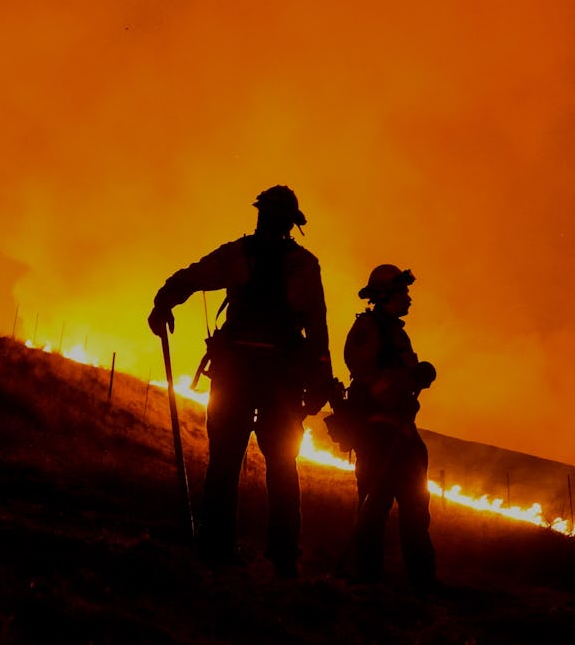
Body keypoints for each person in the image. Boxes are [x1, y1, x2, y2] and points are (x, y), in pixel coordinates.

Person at [147, 186, 332, 577]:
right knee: (281, 464)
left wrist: (164, 302)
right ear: (291, 224)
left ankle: (217, 547)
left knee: (226, 462)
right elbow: (316, 327)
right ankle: (282, 557)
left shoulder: (239, 254)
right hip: (280, 377)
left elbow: (192, 276)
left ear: (262, 215)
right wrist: (319, 378)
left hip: (236, 373)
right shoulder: (302, 265)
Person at [342, 264, 437, 588]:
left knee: (415, 508)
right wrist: (404, 384)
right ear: (386, 295)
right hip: (378, 433)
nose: (408, 298)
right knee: (374, 506)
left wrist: (414, 379)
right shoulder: (368, 329)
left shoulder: (395, 332)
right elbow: (365, 375)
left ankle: (422, 580)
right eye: (403, 292)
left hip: (400, 431)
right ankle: (366, 578)